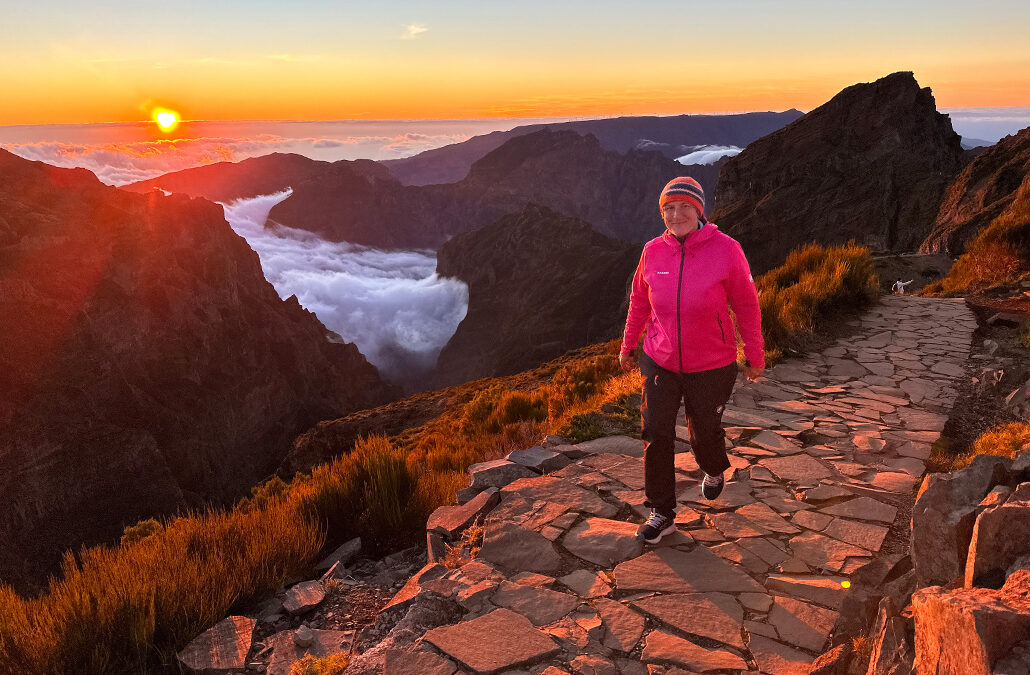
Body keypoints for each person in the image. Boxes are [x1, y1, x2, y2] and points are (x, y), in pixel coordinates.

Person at [620, 176, 765, 544]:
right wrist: (628, 345)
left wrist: (754, 355)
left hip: (712, 363)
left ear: (699, 210)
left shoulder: (727, 250)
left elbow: (746, 306)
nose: (676, 213)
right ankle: (662, 513)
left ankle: (714, 469)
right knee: (656, 431)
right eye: (668, 207)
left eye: (685, 206)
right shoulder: (652, 251)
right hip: (659, 358)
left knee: (703, 434)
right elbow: (639, 301)